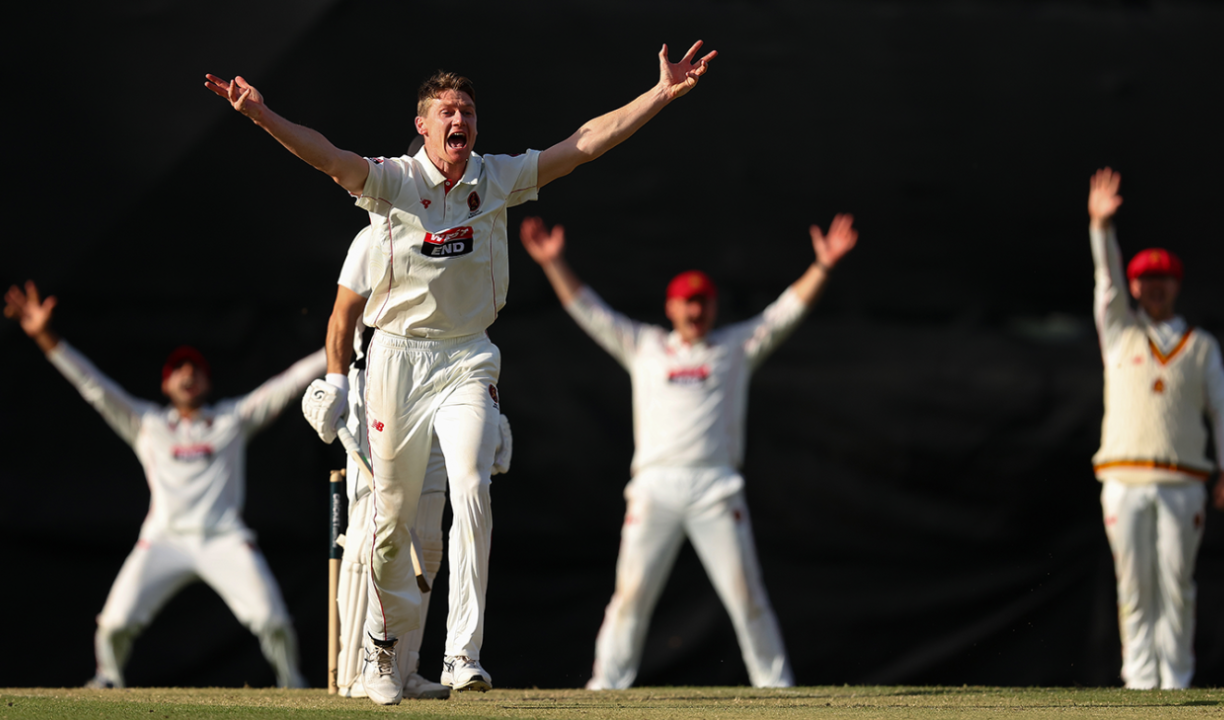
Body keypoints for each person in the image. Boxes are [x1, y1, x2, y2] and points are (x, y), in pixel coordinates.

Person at [205, 42, 716, 704]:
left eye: (468, 111)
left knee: (473, 484)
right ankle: (384, 654)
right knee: (390, 521)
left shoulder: (494, 177)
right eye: (447, 111)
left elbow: (583, 144)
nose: (460, 121)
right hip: (395, 357)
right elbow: (328, 157)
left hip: (468, 354)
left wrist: (660, 95)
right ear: (422, 124)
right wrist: (261, 114)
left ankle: (461, 656)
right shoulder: (392, 181)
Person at [518, 213, 859, 689]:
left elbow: (785, 312)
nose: (695, 312)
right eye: (687, 304)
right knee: (630, 595)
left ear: (712, 308)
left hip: (716, 487)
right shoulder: (645, 345)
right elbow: (590, 311)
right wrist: (554, 264)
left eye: (702, 304)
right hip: (654, 487)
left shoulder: (735, 348)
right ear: (671, 307)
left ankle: (776, 688)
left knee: (746, 596)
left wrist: (822, 267)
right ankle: (605, 688)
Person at [3, 281, 324, 689]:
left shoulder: (232, 421)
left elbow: (291, 381)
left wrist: (339, 339)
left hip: (224, 538)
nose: (187, 374)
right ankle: (109, 679)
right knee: (115, 624)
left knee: (271, 620)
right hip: (163, 539)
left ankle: (291, 684)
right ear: (165, 385)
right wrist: (45, 337)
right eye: (178, 370)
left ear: (207, 383)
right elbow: (93, 386)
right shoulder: (147, 425)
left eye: (195, 369)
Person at [316, 220, 512, 700]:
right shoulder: (375, 235)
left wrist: (492, 417)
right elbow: (344, 315)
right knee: (377, 529)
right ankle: (356, 671)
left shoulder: (470, 234)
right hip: (386, 387)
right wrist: (336, 383)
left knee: (426, 540)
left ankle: (403, 668)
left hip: (449, 382)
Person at [1086, 167, 1224, 689]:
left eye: (1163, 279)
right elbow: (1104, 284)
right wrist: (1100, 229)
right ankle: (1139, 682)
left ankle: (1175, 683)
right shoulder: (1121, 335)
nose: (1154, 288)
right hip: (1123, 477)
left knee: (1176, 584)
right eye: (1145, 280)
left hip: (1183, 482)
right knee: (1134, 583)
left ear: (1176, 284)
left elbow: (1223, 409)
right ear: (1135, 285)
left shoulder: (1200, 346)